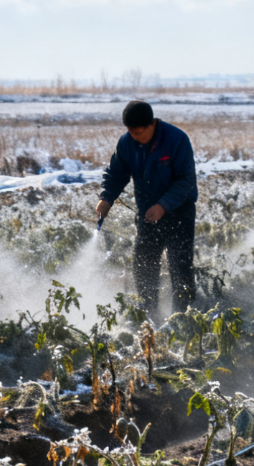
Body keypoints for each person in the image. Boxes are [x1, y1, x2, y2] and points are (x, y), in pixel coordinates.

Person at [96, 100, 198, 311]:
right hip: (148, 214)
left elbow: (185, 180)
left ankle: (183, 319)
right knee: (144, 267)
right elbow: (117, 173)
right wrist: (106, 199)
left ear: (152, 124)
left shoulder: (177, 140)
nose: (136, 138)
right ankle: (148, 317)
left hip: (180, 212)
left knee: (180, 268)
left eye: (140, 133)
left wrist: (163, 205)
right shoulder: (126, 143)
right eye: (131, 133)